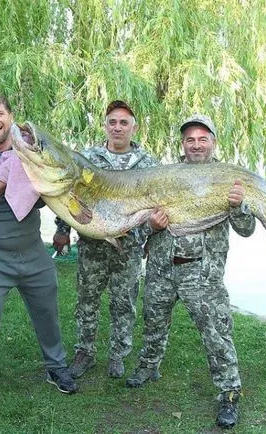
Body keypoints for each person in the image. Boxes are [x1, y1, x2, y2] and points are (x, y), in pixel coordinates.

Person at [125, 114, 256, 429]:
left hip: (203, 276)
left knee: (216, 333)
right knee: (154, 322)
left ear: (213, 142)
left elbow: (247, 228)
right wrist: (151, 225)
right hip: (161, 270)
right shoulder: (163, 177)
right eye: (190, 140)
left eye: (202, 139)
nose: (196, 145)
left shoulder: (230, 179)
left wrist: (239, 206)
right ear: (182, 144)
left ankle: (229, 392)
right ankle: (148, 366)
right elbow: (137, 225)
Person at [0, 92, 77, 411]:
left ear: (10, 116)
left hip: (32, 249)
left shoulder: (31, 152)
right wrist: (1, 181)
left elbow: (52, 191)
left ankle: (56, 366)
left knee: (47, 312)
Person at [53, 100, 167, 379]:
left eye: (124, 123)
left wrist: (151, 236)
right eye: (112, 122)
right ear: (105, 126)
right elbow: (70, 195)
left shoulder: (149, 164)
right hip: (93, 246)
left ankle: (118, 355)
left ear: (134, 128)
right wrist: (62, 229)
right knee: (87, 300)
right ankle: (85, 352)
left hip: (130, 248)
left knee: (124, 303)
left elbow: (158, 206)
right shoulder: (87, 158)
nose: (118, 128)